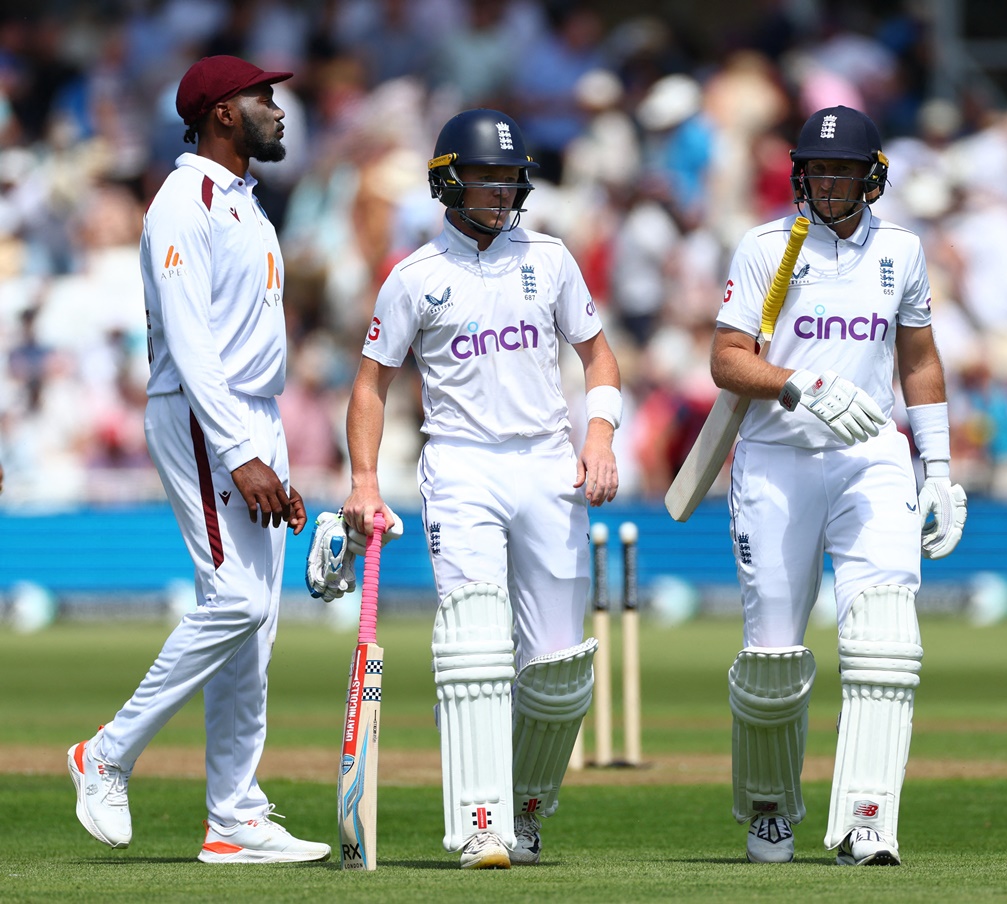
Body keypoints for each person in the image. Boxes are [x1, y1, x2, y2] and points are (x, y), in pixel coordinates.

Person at [311, 108, 621, 870]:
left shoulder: (549, 259)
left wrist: (602, 437)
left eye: (510, 177)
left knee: (558, 670)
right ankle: (482, 823)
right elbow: (370, 386)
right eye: (485, 177)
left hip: (548, 462)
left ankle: (525, 805)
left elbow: (600, 357)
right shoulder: (415, 276)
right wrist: (362, 481)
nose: (501, 190)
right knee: (476, 646)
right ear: (448, 180)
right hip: (461, 466)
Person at [67, 55, 329, 865]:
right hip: (201, 414)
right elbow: (190, 345)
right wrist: (243, 453)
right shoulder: (185, 201)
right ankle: (105, 754)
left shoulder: (246, 203)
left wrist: (268, 448)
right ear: (222, 113)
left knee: (256, 630)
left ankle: (234, 816)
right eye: (264, 98)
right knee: (238, 604)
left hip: (252, 415)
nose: (279, 110)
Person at [710, 105, 966, 866]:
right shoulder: (766, 247)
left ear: (871, 177)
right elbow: (728, 359)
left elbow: (919, 362)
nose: (827, 183)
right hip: (777, 458)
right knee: (773, 659)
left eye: (842, 171)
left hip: (871, 458)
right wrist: (794, 386)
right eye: (816, 170)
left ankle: (867, 820)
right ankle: (769, 812)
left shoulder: (903, 252)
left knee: (886, 636)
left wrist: (940, 470)